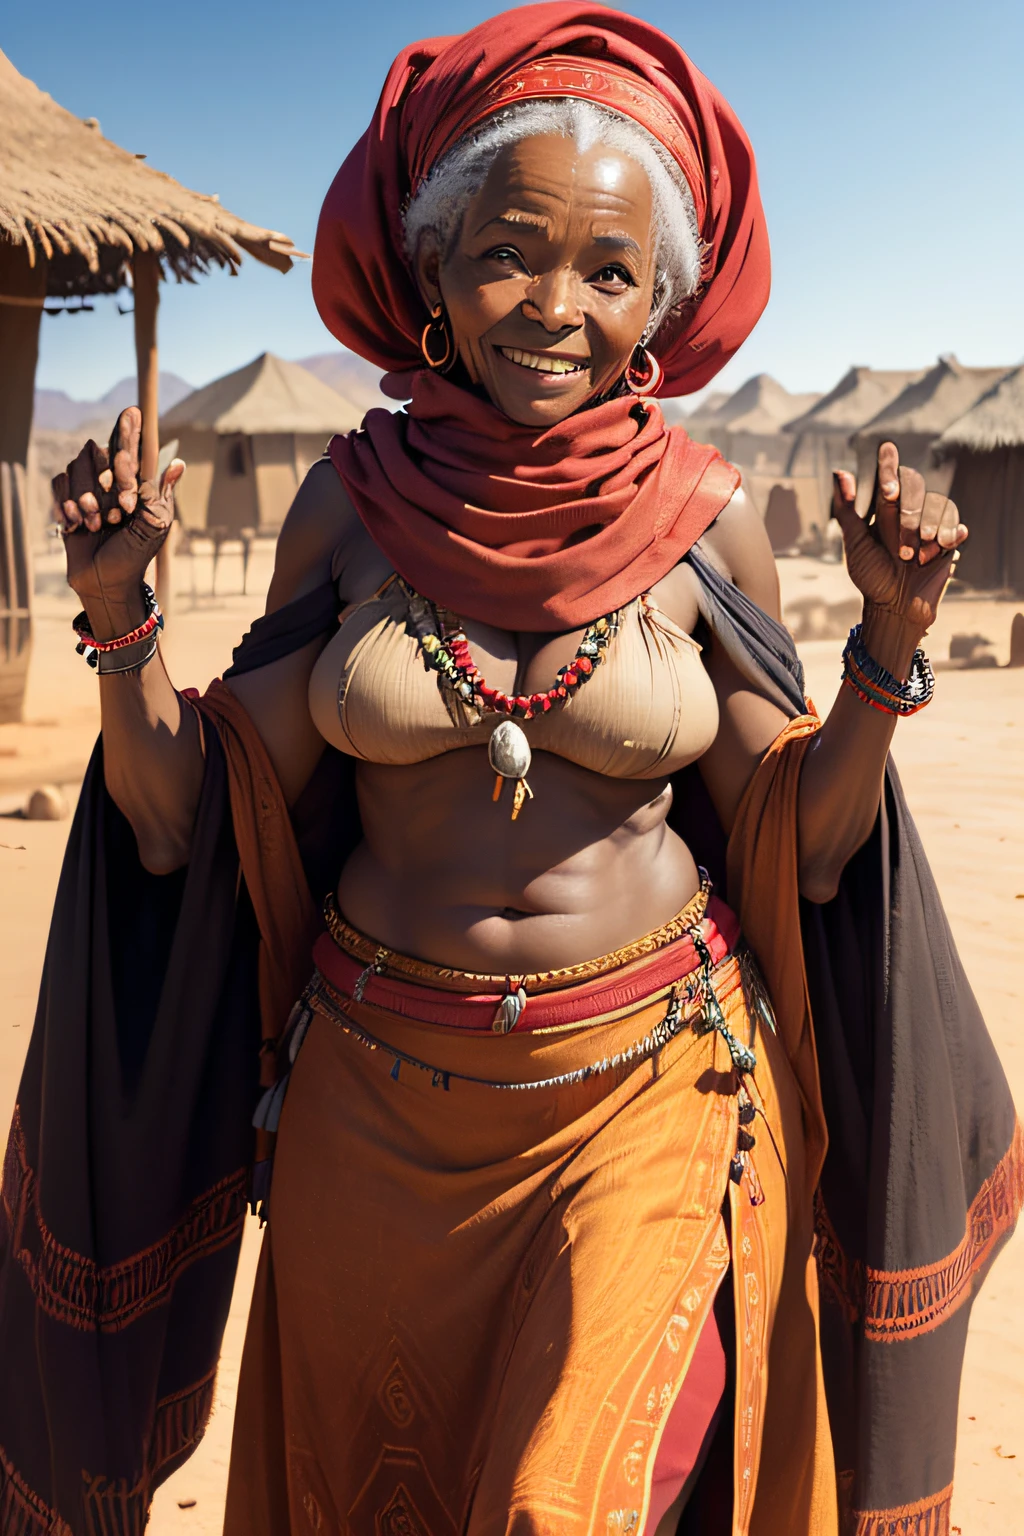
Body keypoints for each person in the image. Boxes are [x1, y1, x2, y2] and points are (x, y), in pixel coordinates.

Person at [1, 6, 1019, 1535]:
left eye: (610, 271)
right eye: (508, 252)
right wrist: (116, 618)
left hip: (650, 1088)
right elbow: (182, 821)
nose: (554, 305)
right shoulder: (345, 516)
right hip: (374, 1111)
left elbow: (803, 850)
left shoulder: (705, 518)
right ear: (431, 270)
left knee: (578, 1505)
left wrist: (886, 645)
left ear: (661, 299)